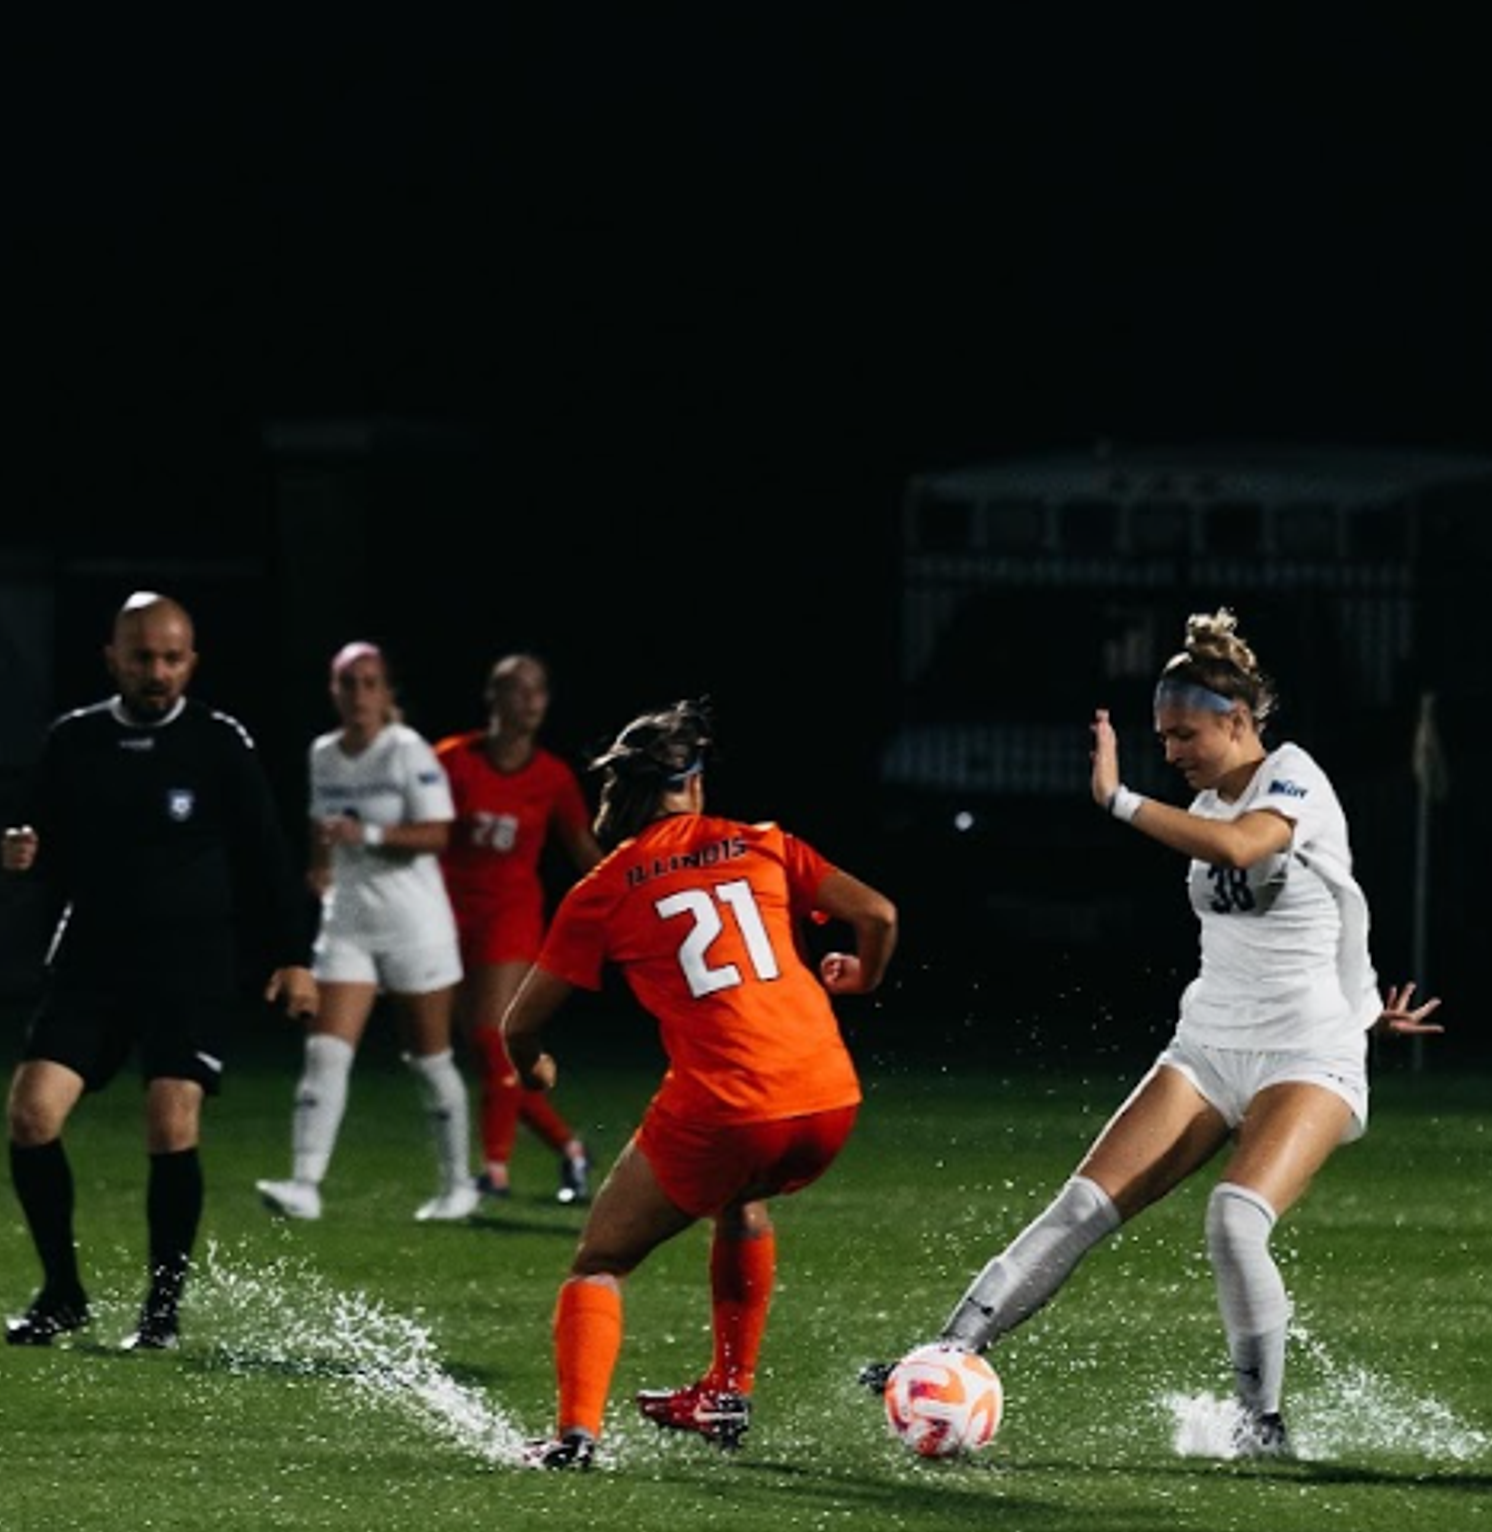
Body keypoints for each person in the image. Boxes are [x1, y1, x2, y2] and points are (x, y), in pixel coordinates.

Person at [864, 609, 1442, 1457]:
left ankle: (1262, 1422)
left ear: (1238, 720)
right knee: (1081, 1206)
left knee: (1234, 1220)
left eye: (1184, 733)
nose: (1170, 751)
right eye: (1161, 736)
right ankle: (946, 1351)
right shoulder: (1207, 802)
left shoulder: (1294, 777)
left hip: (1307, 1052)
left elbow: (1247, 849)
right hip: (1208, 1042)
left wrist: (1119, 800)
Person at [503, 698, 898, 1470]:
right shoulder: (762, 842)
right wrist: (859, 977)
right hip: (828, 1093)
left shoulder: (606, 884)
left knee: (599, 1260)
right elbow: (879, 914)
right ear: (691, 783)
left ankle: (575, 1438)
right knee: (741, 1198)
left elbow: (520, 1022)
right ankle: (725, 1392)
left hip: (729, 1105)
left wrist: (533, 1069)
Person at [0, 591, 318, 1351]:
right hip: (94, 959)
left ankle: (162, 1310)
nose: (157, 671)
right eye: (142, 656)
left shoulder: (218, 741)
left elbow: (266, 856)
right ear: (112, 657)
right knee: (31, 1113)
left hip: (191, 961)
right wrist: (21, 853)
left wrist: (294, 956)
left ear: (192, 661)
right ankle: (62, 1293)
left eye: (172, 657)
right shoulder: (74, 739)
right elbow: (34, 831)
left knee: (170, 1119)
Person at [257, 641, 479, 1224]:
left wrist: (370, 836)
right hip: (349, 924)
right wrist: (322, 865)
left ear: (386, 692)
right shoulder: (323, 753)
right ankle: (305, 1183)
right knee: (325, 1052)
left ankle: (459, 1184)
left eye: (369, 682)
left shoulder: (407, 751)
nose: (359, 694)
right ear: (333, 691)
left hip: (414, 924)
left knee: (429, 1058)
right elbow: (319, 823)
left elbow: (437, 834)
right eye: (348, 683)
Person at [434, 653, 602, 1207]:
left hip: (510, 915)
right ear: (494, 697)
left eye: (539, 691)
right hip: (449, 914)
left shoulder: (552, 776)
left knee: (491, 1036)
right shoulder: (453, 760)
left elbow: (581, 848)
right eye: (518, 690)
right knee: (487, 1054)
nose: (531, 701)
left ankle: (496, 1168)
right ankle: (571, 1148)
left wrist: (629, 891)